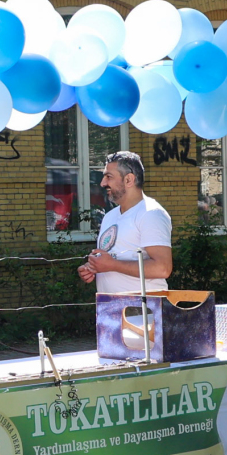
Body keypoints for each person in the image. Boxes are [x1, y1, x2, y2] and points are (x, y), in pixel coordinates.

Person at [79, 149, 173, 352]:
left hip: (141, 315)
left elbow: (163, 268)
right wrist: (93, 267)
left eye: (109, 177)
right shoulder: (110, 216)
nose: (103, 183)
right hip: (110, 312)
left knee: (142, 370)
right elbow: (113, 257)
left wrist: (112, 265)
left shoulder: (151, 214)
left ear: (129, 179)